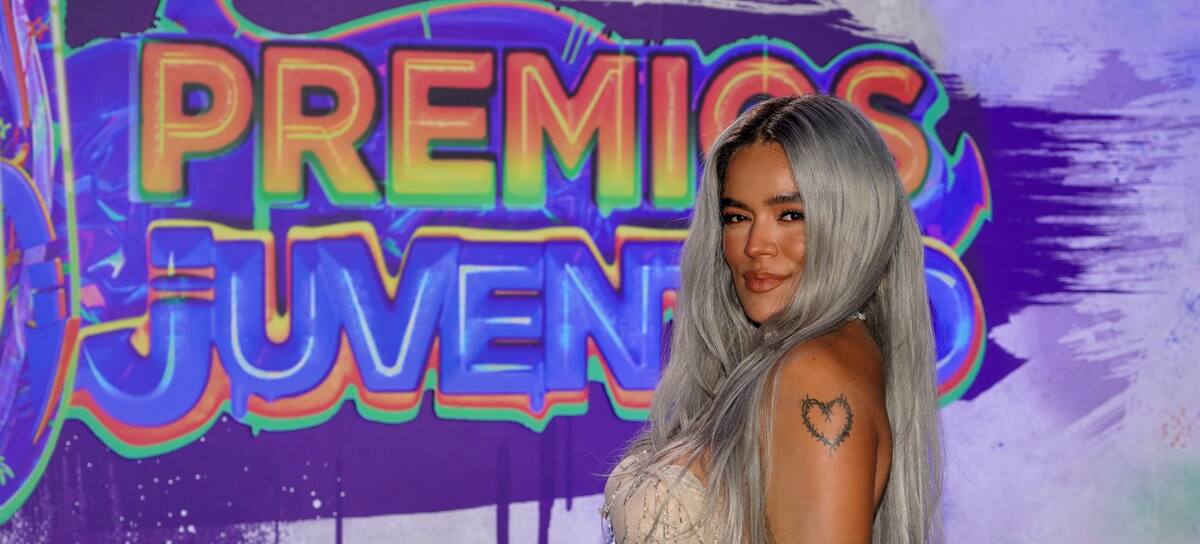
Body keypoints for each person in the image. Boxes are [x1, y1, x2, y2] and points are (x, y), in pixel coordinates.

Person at [600, 94, 943, 543]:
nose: (756, 245)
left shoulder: (816, 375)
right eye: (737, 217)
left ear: (854, 224)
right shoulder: (819, 359)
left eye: (790, 215)